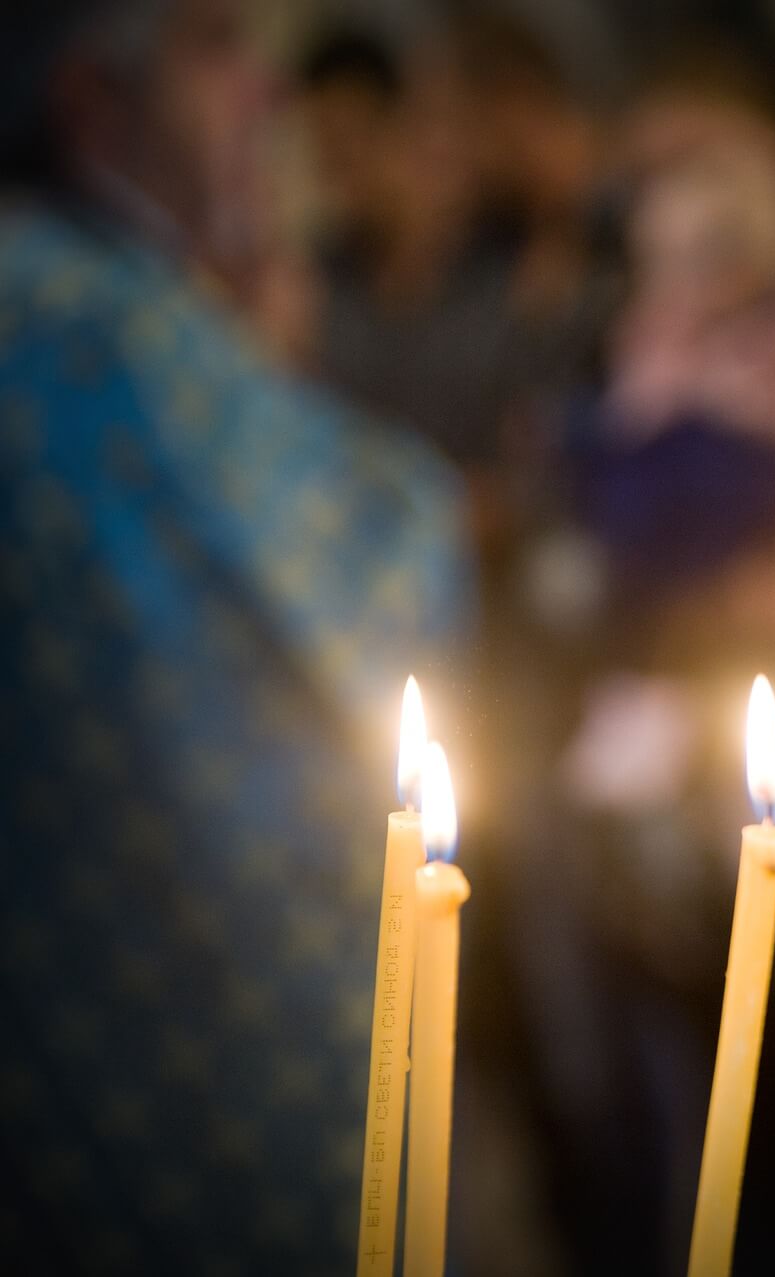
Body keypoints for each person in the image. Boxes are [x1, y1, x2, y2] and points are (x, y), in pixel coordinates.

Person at [1, 2, 469, 1271]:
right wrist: (269, 359)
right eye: (215, 46)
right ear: (94, 103)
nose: (267, 94)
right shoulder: (96, 321)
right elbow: (396, 566)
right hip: (203, 1073)